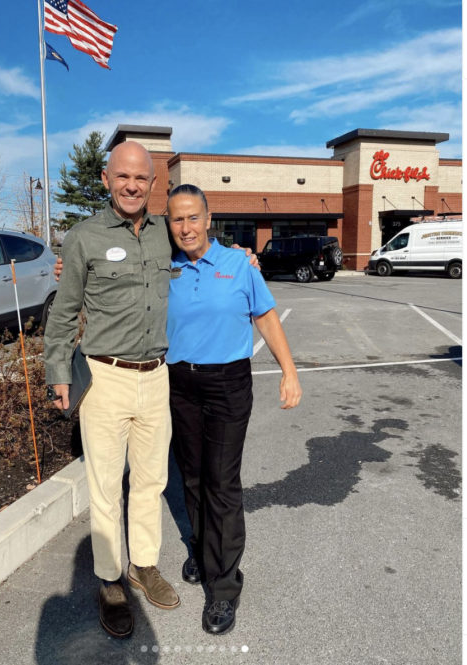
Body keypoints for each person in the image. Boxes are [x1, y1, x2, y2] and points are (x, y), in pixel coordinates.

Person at [44, 141, 259, 639]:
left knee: (149, 483)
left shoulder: (167, 231)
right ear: (106, 179)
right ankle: (111, 582)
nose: (132, 186)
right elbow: (63, 309)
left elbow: (205, 244)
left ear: (153, 184)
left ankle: (144, 565)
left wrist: (243, 255)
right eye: (123, 177)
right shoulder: (83, 237)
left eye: (141, 178)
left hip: (158, 377)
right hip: (105, 377)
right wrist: (58, 372)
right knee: (104, 487)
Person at [164, 184, 302, 635]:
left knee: (221, 482)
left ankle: (224, 587)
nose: (185, 228)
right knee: (191, 475)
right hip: (179, 382)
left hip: (226, 383)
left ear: (208, 219)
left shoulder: (239, 264)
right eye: (176, 219)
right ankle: (204, 551)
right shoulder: (165, 267)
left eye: (192, 218)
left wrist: (289, 371)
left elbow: (264, 316)